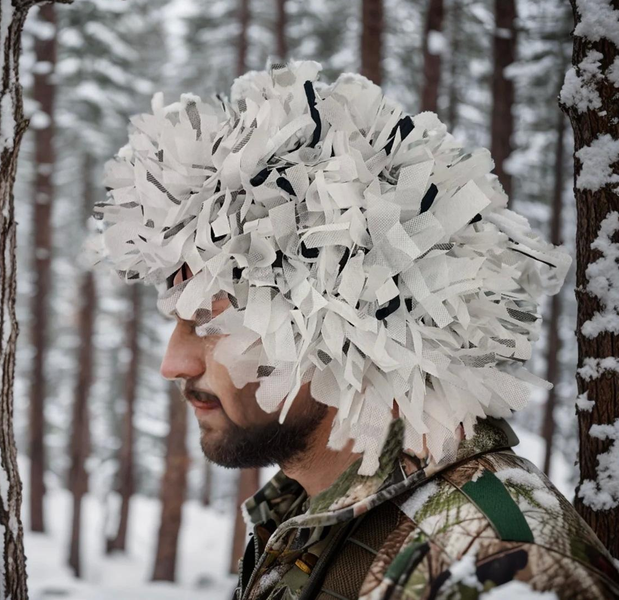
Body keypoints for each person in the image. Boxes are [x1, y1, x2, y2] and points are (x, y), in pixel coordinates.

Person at [86, 59, 619, 599]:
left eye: (210, 320)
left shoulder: (490, 564)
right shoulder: (309, 513)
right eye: (177, 319)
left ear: (342, 320)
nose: (173, 363)